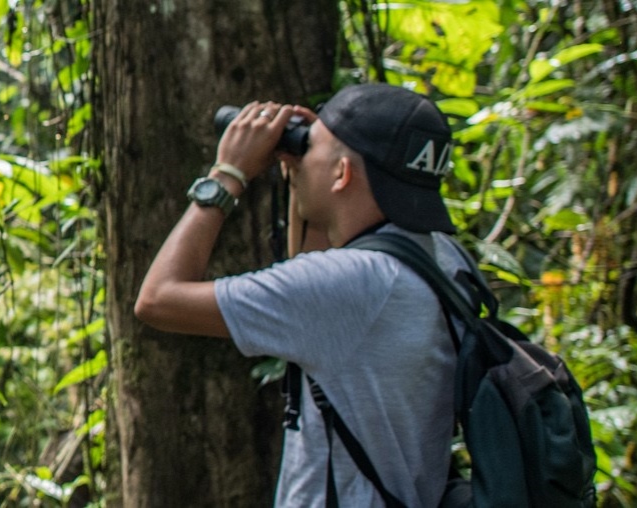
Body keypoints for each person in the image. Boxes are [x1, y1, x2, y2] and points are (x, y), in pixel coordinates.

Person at [133, 83, 473, 507]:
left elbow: (157, 299)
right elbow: (311, 287)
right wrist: (305, 175)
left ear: (343, 173)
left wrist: (226, 175)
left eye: (313, 148)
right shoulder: (446, 259)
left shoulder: (350, 284)